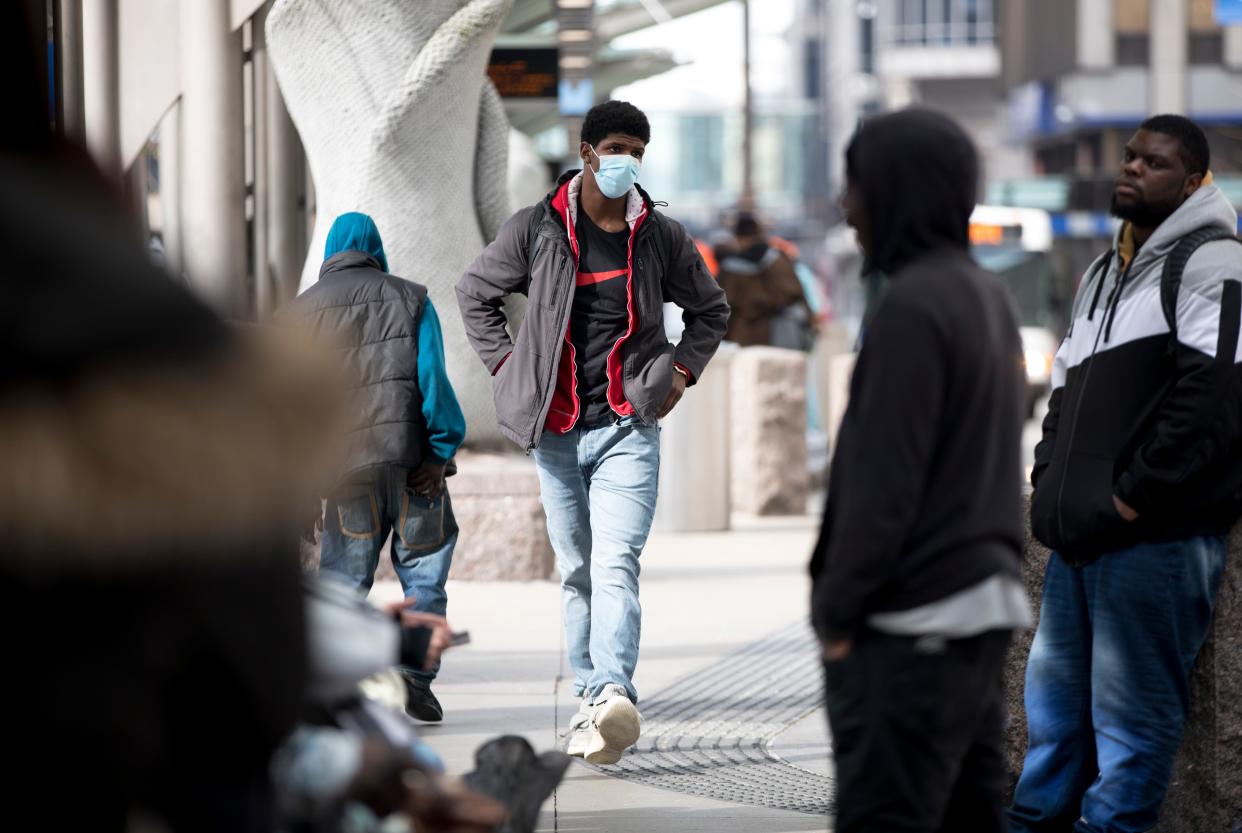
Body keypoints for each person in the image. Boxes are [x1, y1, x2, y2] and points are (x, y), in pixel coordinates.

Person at [455, 99, 729, 765]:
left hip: (629, 426)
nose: (624, 161)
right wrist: (508, 366)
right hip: (555, 430)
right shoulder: (537, 229)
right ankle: (590, 698)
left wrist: (681, 375)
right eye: (614, 148)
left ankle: (611, 691)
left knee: (613, 561)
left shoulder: (660, 235)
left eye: (636, 149)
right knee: (576, 567)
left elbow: (710, 309)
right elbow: (474, 292)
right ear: (586, 152)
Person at [1010, 115, 1242, 833]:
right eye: (1131, 156)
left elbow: (1217, 399)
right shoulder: (1103, 269)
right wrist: (1050, 483)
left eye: (1156, 162)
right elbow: (1064, 391)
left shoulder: (1215, 262)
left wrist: (1130, 498)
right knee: (1053, 718)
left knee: (1132, 718)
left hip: (1154, 539)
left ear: (1195, 179)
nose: (1133, 168)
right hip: (1080, 535)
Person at [809, 108, 1029, 833]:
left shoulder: (913, 306)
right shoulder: (983, 295)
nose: (848, 204)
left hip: (910, 627)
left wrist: (837, 615)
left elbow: (882, 485)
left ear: (896, 189)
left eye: (856, 183)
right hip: (974, 614)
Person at [280, 212, 467, 724]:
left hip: (346, 473)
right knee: (425, 577)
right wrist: (439, 453)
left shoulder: (299, 314)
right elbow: (434, 380)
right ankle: (414, 678)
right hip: (414, 467)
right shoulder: (412, 298)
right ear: (375, 248)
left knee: (342, 582)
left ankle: (334, 686)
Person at [717, 212, 811, 348]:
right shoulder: (778, 259)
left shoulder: (730, 269)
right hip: (782, 334)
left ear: (737, 237)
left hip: (744, 336)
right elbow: (798, 294)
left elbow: (722, 306)